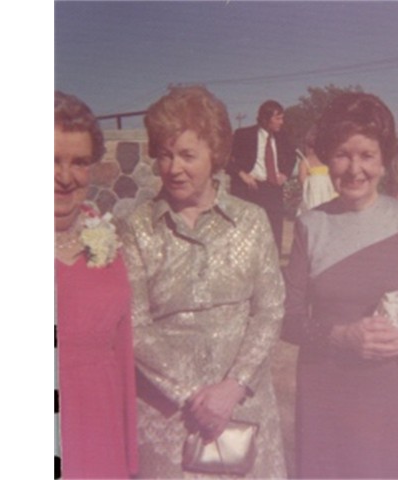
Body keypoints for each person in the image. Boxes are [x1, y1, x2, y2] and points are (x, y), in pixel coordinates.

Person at [282, 92, 398, 479]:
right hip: (327, 392)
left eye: (366, 155)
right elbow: (288, 318)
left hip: (393, 392)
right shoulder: (309, 226)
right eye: (342, 155)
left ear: (384, 160)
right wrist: (339, 337)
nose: (354, 169)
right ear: (327, 157)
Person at [119, 86, 287, 478]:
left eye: (187, 155)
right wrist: (195, 395)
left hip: (243, 407)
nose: (174, 167)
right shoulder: (135, 229)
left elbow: (270, 309)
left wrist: (232, 386)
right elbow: (134, 324)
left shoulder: (252, 221)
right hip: (170, 418)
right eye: (164, 154)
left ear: (215, 155)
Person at [55, 91, 138, 478]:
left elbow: (121, 353)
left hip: (101, 436)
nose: (65, 177)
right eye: (51, 161)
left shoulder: (105, 242)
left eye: (79, 162)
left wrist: (126, 458)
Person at [226, 99, 297, 253]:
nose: (281, 122)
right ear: (265, 119)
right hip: (250, 189)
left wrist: (285, 174)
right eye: (278, 118)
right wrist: (241, 174)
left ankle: (275, 268)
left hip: (273, 189)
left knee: (275, 231)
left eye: (282, 118)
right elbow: (225, 158)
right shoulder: (243, 135)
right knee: (248, 232)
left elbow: (292, 157)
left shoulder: (282, 136)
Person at [297, 125, 337, 214]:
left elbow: (333, 175)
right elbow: (302, 179)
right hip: (313, 195)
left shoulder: (327, 160)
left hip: (327, 192)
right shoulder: (305, 162)